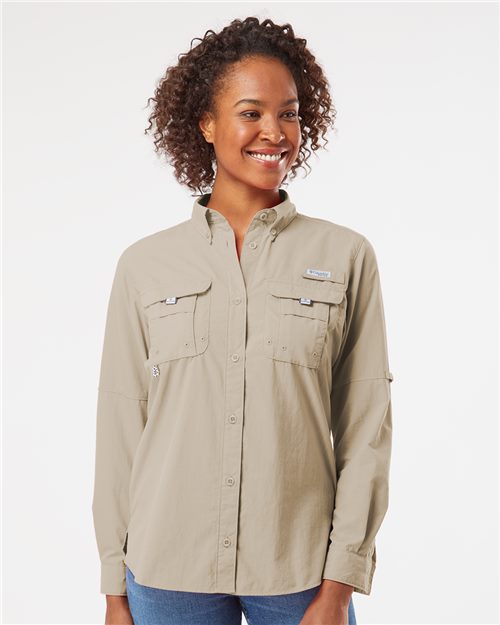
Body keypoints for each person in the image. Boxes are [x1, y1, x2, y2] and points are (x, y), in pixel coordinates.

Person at [91, 16, 394, 625]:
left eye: (290, 114)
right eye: (251, 112)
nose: (274, 132)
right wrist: (114, 589)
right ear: (206, 124)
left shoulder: (346, 255)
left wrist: (340, 583)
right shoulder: (144, 264)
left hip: (300, 570)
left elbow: (366, 426)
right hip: (167, 569)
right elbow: (121, 425)